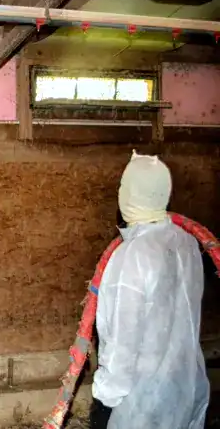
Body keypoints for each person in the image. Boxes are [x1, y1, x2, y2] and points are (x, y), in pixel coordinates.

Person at [91, 151, 209, 429]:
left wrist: (105, 396)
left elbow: (122, 338)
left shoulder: (131, 256)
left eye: (124, 186)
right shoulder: (187, 243)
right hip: (186, 388)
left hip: (141, 403)